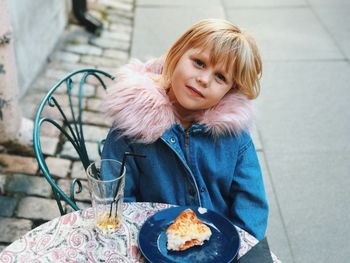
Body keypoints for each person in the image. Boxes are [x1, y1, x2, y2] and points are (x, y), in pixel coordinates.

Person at [102, 18, 268, 240]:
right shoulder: (132, 122)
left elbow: (251, 204)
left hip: (217, 244)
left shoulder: (234, 136)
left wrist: (236, 248)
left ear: (229, 91)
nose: (203, 80)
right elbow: (118, 198)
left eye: (220, 77)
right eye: (199, 63)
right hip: (149, 240)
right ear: (177, 54)